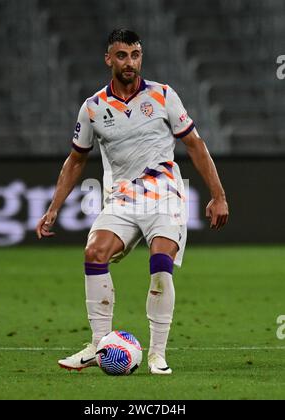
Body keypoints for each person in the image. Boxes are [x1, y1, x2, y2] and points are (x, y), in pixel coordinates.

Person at [36, 29, 229, 375]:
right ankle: (98, 344)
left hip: (165, 196)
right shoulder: (93, 108)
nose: (130, 62)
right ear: (109, 59)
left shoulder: (163, 95)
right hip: (122, 199)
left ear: (141, 57)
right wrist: (53, 208)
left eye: (135, 55)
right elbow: (76, 160)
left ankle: (156, 354)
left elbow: (196, 146)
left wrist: (218, 195)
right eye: (122, 55)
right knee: (94, 252)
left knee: (160, 260)